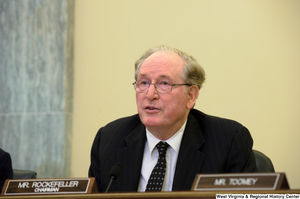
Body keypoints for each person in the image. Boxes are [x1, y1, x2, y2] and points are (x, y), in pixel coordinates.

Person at [89, 45, 256, 192]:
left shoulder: (228, 141)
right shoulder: (108, 140)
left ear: (191, 96)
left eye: (164, 84)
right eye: (144, 83)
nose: (150, 94)